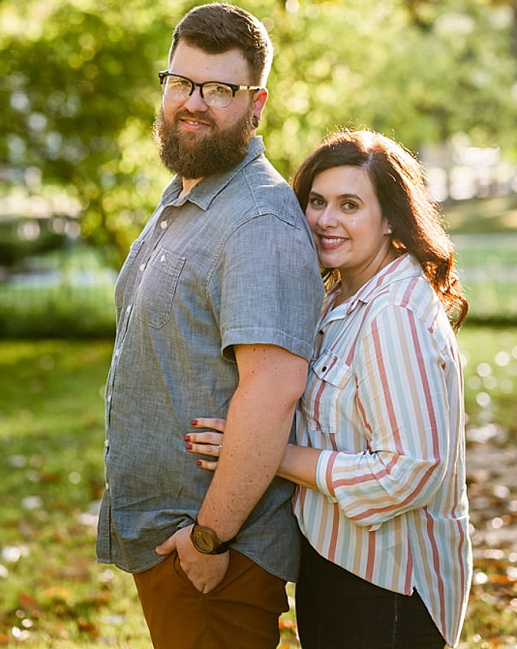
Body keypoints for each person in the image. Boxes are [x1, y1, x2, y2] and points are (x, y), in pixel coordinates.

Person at [95, 2, 325, 648]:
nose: (192, 103)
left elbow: (272, 388)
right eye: (180, 82)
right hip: (173, 545)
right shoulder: (187, 197)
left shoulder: (257, 221)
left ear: (255, 104)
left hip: (213, 553)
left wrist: (208, 537)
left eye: (218, 89)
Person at [188, 129, 472, 649]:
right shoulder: (340, 296)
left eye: (349, 205)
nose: (325, 219)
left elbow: (410, 471)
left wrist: (262, 453)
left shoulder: (395, 315)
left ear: (390, 218)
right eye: (317, 201)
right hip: (336, 563)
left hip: (388, 589)